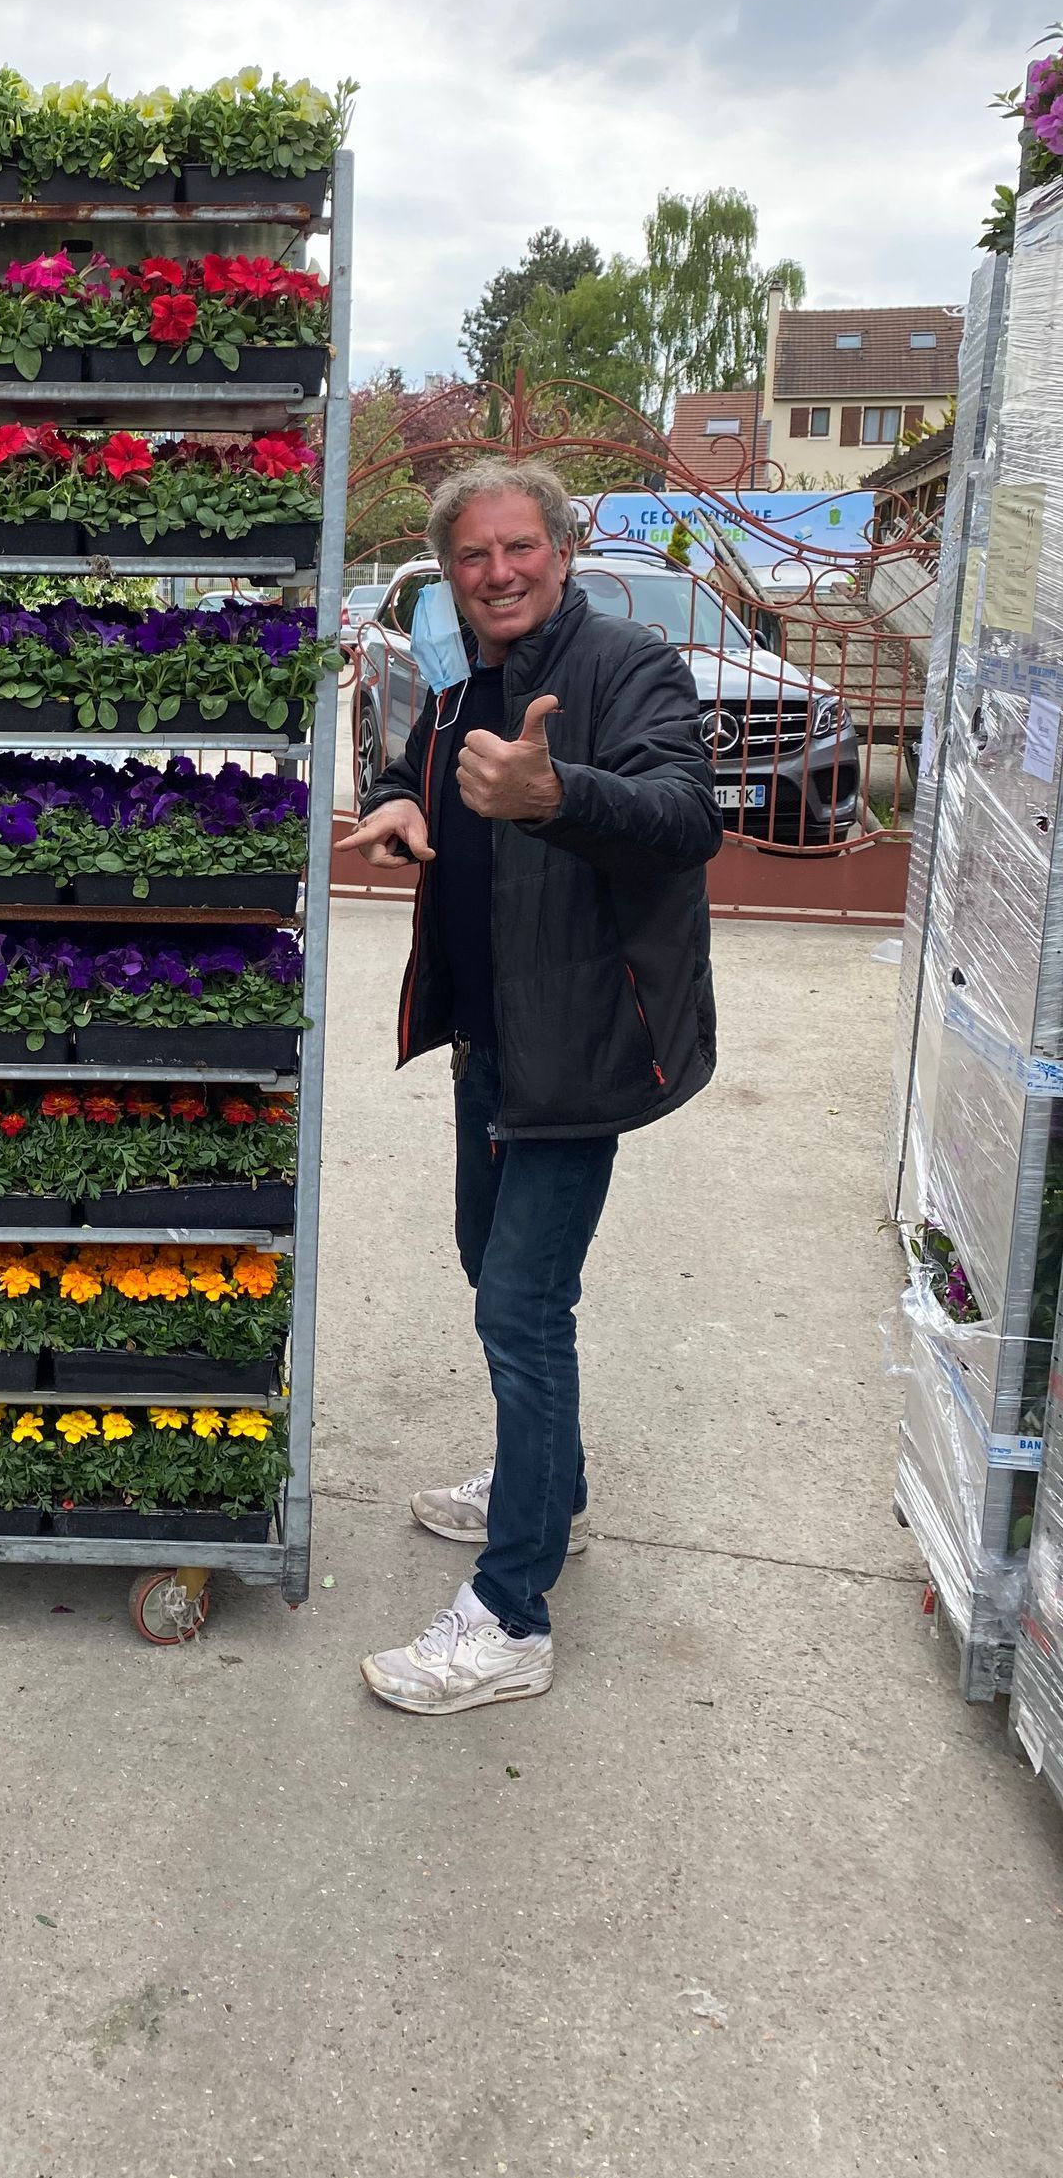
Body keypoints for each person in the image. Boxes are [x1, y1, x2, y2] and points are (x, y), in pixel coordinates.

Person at [338, 461, 721, 1715]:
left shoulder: (626, 668)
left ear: (563, 548)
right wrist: (399, 799)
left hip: (578, 1047)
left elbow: (682, 815)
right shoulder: (463, 680)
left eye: (519, 548)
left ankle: (511, 1614)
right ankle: (545, 1488)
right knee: (482, 1255)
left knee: (521, 1303)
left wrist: (557, 794)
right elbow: (414, 760)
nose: (497, 572)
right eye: (471, 557)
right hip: (490, 1037)